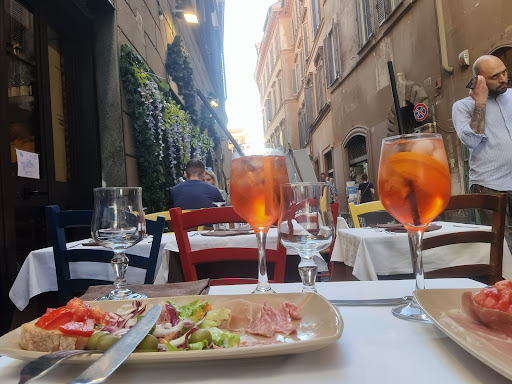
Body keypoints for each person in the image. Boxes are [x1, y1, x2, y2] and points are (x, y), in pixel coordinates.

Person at [452, 54, 512, 250]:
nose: (503, 78)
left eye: (504, 72)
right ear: (480, 80)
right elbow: (470, 139)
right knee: (499, 249)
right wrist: (480, 102)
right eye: (495, 76)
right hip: (489, 185)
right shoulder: (462, 107)